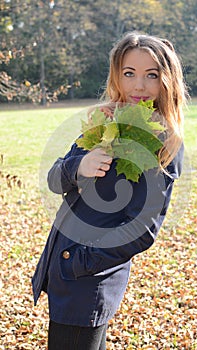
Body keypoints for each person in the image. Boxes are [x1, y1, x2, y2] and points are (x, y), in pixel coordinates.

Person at [32, 31, 187, 350]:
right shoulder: (103, 122)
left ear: (166, 81)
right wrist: (79, 167)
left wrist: (75, 262)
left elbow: (142, 230)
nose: (138, 86)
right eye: (129, 73)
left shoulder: (162, 142)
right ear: (117, 75)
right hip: (64, 270)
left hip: (87, 280)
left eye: (151, 75)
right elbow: (53, 180)